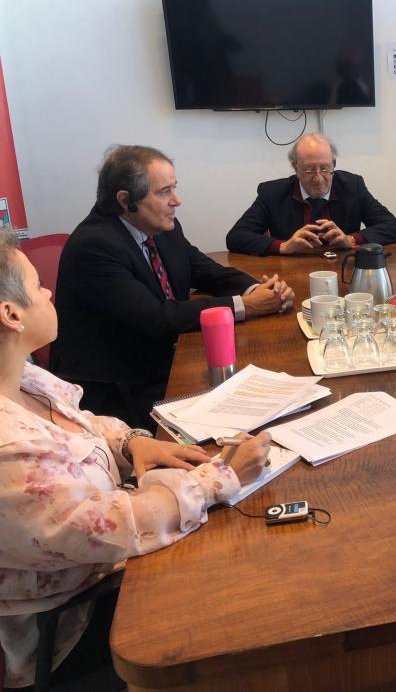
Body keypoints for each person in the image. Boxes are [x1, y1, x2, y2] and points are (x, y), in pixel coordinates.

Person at [0, 228, 272, 689]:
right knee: (253, 602)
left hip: (111, 570)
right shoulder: (8, 452)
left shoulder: (24, 376)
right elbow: (106, 528)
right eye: (36, 284)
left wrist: (131, 442)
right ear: (10, 314)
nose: (49, 289)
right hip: (73, 629)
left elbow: (82, 421)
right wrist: (219, 477)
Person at [50, 145, 294, 427]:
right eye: (164, 191)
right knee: (240, 420)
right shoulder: (94, 246)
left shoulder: (160, 225)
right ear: (126, 200)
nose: (176, 200)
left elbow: (204, 269)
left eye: (174, 188)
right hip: (119, 387)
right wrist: (245, 307)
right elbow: (156, 317)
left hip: (163, 359)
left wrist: (258, 290)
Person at [226, 133, 396, 256]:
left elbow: (393, 227)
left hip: (343, 271)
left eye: (325, 169)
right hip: (291, 274)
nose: (318, 178)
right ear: (295, 168)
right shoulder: (272, 193)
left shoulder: (353, 186)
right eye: (309, 170)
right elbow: (236, 237)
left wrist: (350, 239)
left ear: (334, 165)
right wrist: (284, 246)